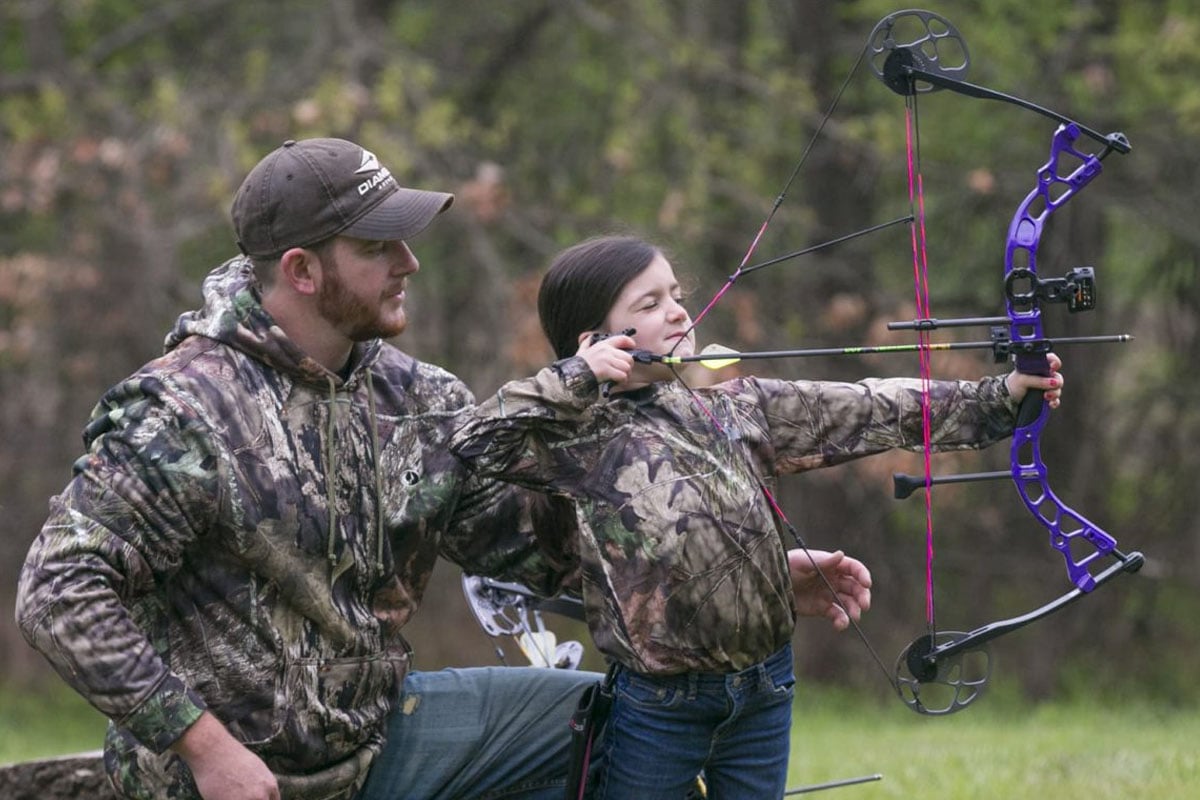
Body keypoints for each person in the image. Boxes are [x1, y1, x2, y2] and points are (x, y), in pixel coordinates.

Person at [13, 140, 871, 800]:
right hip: (231, 781)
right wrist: (204, 747)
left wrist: (721, 574)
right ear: (303, 271)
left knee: (604, 720)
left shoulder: (417, 397)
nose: (409, 263)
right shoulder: (180, 410)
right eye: (378, 246)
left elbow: (532, 549)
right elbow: (58, 592)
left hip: (379, 742)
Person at [449, 234, 1064, 800]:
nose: (677, 312)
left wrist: (1001, 396)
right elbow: (469, 444)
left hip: (764, 687)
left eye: (678, 296)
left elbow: (871, 408)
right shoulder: (573, 441)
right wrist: (573, 379)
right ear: (593, 340)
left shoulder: (735, 407)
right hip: (660, 706)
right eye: (651, 301)